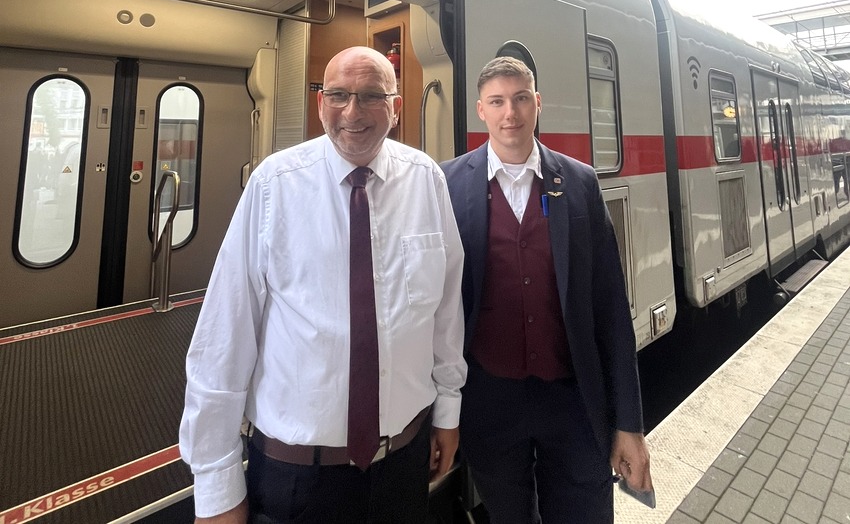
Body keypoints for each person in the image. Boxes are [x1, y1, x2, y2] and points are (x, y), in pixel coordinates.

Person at [179, 46, 467, 524]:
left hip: (402, 466)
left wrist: (448, 411)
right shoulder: (274, 185)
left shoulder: (427, 181)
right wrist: (215, 482)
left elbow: (444, 313)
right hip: (298, 480)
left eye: (372, 96)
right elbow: (225, 335)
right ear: (320, 104)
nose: (352, 112)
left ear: (395, 107)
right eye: (338, 95)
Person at [441, 56, 652, 523]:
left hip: (573, 398)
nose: (509, 113)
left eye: (519, 99)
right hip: (489, 399)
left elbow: (611, 308)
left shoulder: (579, 182)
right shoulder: (448, 184)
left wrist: (629, 423)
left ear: (537, 103)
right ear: (481, 109)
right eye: (497, 102)